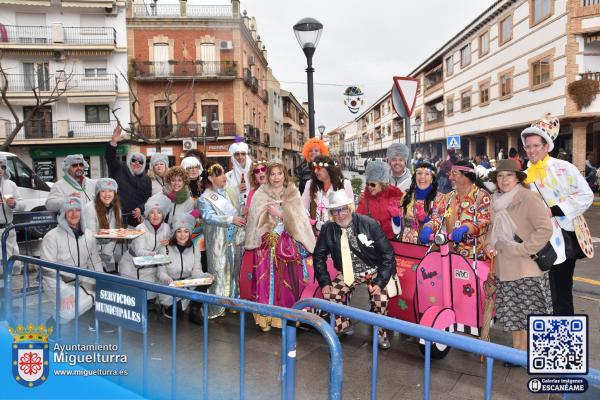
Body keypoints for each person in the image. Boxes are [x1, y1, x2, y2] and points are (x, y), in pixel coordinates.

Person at [521, 114, 593, 315]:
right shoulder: (525, 175)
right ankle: (546, 339)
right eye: (528, 146)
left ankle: (565, 340)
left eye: (536, 145)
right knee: (542, 292)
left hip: (564, 238)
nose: (532, 150)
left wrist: (552, 210)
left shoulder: (564, 168)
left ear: (546, 146)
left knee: (561, 292)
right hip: (538, 240)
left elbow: (585, 196)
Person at [486, 160, 553, 363]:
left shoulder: (528, 198)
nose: (504, 180)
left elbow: (545, 229)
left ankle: (526, 354)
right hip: (504, 267)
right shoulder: (496, 200)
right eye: (500, 176)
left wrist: (522, 249)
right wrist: (489, 244)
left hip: (526, 267)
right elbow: (493, 230)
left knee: (527, 314)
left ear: (517, 178)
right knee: (513, 313)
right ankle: (517, 352)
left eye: (509, 175)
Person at [313, 190, 396, 349]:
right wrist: (324, 283)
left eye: (343, 209)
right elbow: (319, 257)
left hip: (373, 270)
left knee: (381, 300)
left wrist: (380, 281)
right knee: (332, 294)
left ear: (350, 208)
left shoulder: (370, 224)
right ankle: (342, 324)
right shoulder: (328, 229)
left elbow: (388, 254)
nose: (340, 214)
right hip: (348, 273)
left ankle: (381, 333)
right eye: (335, 211)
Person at [244, 159, 315, 331]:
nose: (276, 177)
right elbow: (254, 217)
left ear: (284, 174)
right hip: (265, 244)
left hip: (287, 243)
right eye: (272, 174)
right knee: (265, 279)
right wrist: (266, 226)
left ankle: (286, 316)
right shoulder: (261, 193)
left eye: (279, 173)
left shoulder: (292, 192)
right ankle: (265, 318)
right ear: (268, 176)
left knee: (286, 280)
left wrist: (281, 213)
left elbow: (299, 219)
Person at [40, 196, 104, 323]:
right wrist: (63, 292)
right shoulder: (51, 237)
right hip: (60, 283)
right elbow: (48, 272)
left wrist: (101, 282)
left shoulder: (89, 235)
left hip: (84, 280)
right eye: (70, 210)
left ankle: (86, 301)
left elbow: (94, 261)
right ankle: (54, 322)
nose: (74, 214)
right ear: (63, 214)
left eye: (77, 210)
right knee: (68, 312)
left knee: (108, 296)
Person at [199, 163, 245, 319]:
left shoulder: (231, 191)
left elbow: (238, 209)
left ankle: (233, 301)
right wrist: (231, 218)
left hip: (234, 239)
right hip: (218, 240)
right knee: (219, 271)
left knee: (234, 270)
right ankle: (217, 307)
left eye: (224, 173)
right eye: (219, 175)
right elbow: (208, 217)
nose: (224, 177)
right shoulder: (205, 198)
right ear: (211, 178)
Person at [420, 160, 491, 259]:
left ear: (466, 176)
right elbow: (438, 217)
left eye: (454, 173)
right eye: (450, 173)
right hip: (451, 255)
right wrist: (429, 227)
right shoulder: (447, 197)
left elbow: (485, 221)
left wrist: (467, 228)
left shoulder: (482, 196)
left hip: (476, 257)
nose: (450, 177)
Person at [118, 195, 171, 295]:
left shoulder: (166, 228)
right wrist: (156, 255)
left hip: (150, 269)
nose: (155, 216)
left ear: (163, 215)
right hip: (132, 268)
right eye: (152, 212)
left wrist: (169, 243)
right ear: (147, 215)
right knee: (133, 297)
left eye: (159, 212)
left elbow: (166, 247)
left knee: (150, 298)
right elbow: (139, 252)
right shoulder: (140, 228)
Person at [157, 213, 205, 323]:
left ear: (190, 233)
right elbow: (160, 272)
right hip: (170, 286)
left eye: (186, 231)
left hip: (187, 285)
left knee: (204, 281)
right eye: (179, 231)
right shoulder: (165, 249)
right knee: (176, 314)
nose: (182, 235)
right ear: (174, 233)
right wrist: (168, 279)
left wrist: (204, 277)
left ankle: (194, 309)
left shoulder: (195, 249)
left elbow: (196, 271)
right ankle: (170, 306)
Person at [107, 126, 152, 227]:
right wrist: (113, 143)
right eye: (134, 160)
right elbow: (110, 158)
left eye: (140, 161)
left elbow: (148, 199)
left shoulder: (146, 179)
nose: (137, 163)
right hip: (116, 217)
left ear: (143, 164)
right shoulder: (120, 168)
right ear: (129, 161)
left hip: (135, 220)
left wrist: (141, 208)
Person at [302, 155, 353, 235]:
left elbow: (351, 210)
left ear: (329, 170)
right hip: (316, 236)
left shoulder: (344, 184)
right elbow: (302, 208)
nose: (315, 171)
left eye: (318, 168)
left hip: (338, 234)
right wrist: (313, 222)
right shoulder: (310, 184)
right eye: (314, 168)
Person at [399, 161, 445, 244]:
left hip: (429, 246)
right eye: (419, 173)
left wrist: (428, 226)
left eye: (427, 174)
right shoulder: (406, 195)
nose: (422, 177)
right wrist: (396, 218)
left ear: (432, 179)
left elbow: (439, 218)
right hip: (406, 245)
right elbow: (399, 223)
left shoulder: (439, 197)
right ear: (415, 176)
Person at [356, 160, 403, 240]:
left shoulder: (394, 196)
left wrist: (395, 217)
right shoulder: (364, 199)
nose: (369, 187)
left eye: (373, 184)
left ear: (382, 183)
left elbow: (401, 223)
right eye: (368, 184)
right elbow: (357, 222)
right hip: (371, 243)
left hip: (390, 242)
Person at [83, 178, 122, 273]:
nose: (107, 194)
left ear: (114, 193)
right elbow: (89, 236)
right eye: (103, 191)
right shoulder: (90, 208)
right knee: (97, 278)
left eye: (110, 191)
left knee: (111, 274)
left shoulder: (116, 208)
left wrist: (107, 254)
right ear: (98, 193)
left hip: (108, 252)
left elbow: (114, 233)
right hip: (91, 253)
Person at [0, 155, 24, 275]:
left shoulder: (11, 185)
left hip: (8, 230)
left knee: (13, 266)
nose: (0, 169)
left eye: (3, 166)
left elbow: (22, 205)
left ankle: (10, 291)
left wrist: (14, 204)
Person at [226, 140, 252, 208]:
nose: (240, 157)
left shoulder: (255, 173)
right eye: (237, 154)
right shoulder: (228, 176)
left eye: (243, 154)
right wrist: (236, 190)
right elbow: (224, 195)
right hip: (236, 211)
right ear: (233, 157)